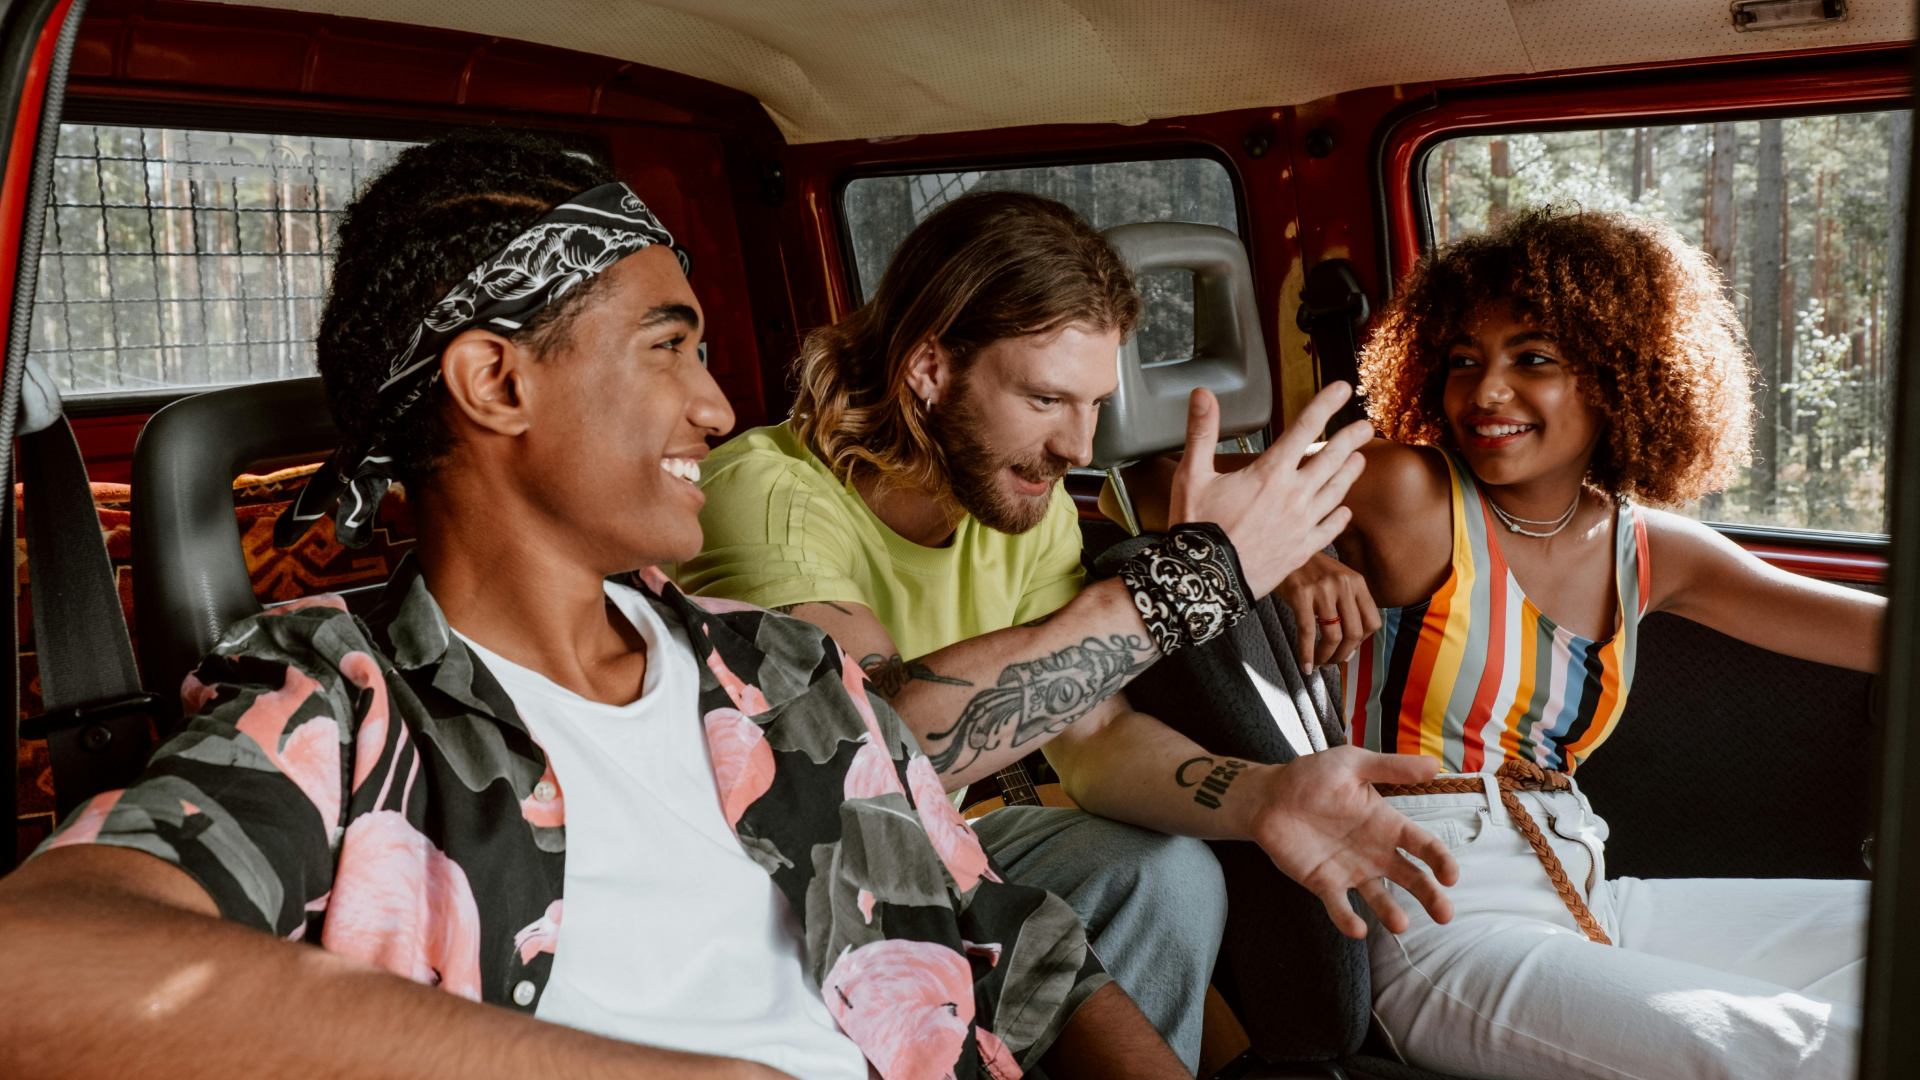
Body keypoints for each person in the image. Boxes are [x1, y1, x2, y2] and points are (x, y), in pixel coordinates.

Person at [0, 131, 1188, 1080]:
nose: (719, 408)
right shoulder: (345, 714)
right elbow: (37, 970)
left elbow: (1024, 944)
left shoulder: (784, 677)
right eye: (668, 349)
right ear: (497, 381)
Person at [668, 190, 1463, 1069]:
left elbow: (1092, 730)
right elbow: (870, 753)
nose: (1078, 447)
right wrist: (1191, 580)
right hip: (799, 869)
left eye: (1093, 405)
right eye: (1047, 399)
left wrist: (1259, 796)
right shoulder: (768, 498)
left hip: (945, 841)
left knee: (1167, 873)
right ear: (929, 367)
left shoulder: (1017, 498)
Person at [1124, 207, 1884, 1080]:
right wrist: (1275, 558)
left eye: (1533, 360)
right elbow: (1146, 481)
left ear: (1617, 373)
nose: (1486, 393)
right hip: (1427, 912)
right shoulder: (1408, 492)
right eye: (1463, 361)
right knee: (1801, 1049)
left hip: (1584, 888)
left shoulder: (1651, 550)